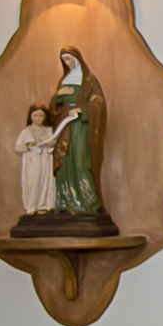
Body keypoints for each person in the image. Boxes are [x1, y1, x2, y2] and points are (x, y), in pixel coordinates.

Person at [48, 46, 107, 214]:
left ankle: (90, 204)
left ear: (77, 58)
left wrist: (82, 110)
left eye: (69, 58)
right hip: (63, 123)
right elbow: (53, 108)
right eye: (64, 60)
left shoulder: (89, 80)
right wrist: (58, 96)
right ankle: (64, 203)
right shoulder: (64, 80)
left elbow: (99, 103)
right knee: (64, 162)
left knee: (81, 161)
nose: (67, 63)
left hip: (80, 125)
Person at [15, 103, 56, 214]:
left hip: (45, 160)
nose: (38, 118)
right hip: (31, 161)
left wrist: (50, 144)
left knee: (44, 181)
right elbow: (18, 147)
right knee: (32, 182)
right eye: (36, 115)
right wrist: (31, 144)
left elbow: (53, 143)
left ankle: (43, 205)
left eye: (41, 116)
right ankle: (31, 206)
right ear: (31, 116)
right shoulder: (26, 132)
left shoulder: (48, 130)